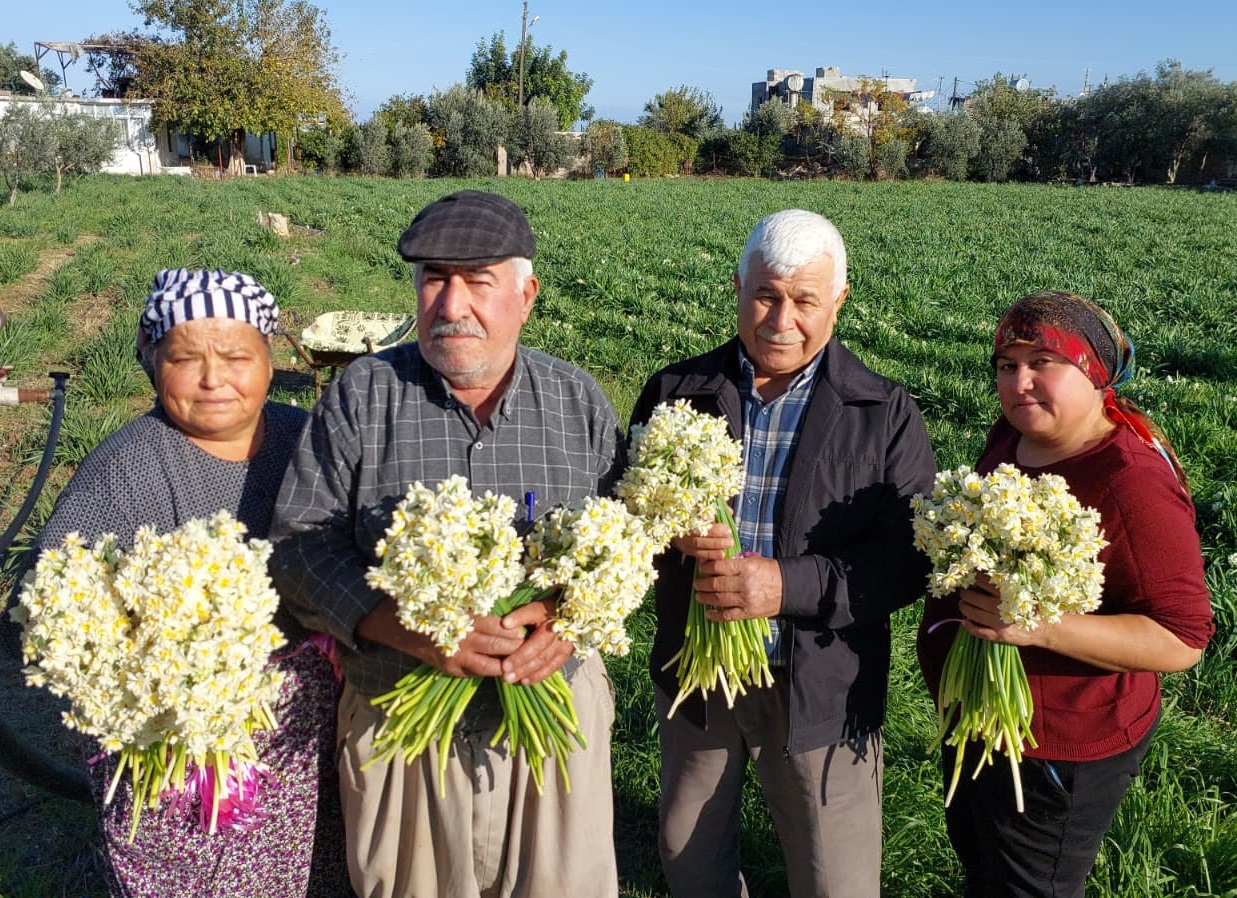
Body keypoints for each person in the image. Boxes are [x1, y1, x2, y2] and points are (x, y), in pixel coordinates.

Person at [268, 190, 624, 898]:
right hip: (402, 718)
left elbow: (619, 551)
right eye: (434, 278)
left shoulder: (577, 402)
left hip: (550, 717)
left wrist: (567, 619)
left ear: (526, 295)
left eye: (477, 282)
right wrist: (399, 627)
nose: (451, 304)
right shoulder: (361, 396)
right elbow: (296, 548)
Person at [628, 209, 936, 898]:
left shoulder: (882, 411)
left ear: (838, 303)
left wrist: (787, 587)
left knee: (833, 877)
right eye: (765, 294)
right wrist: (662, 529)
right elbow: (626, 515)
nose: (780, 319)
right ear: (737, 285)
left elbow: (908, 560)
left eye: (804, 301)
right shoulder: (676, 391)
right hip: (698, 676)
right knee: (686, 851)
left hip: (819, 684)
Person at [30, 269, 350, 898]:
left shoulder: (305, 438)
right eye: (185, 358)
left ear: (269, 360)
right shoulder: (126, 466)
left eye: (236, 357)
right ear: (152, 362)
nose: (213, 380)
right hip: (186, 731)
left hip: (307, 724)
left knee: (325, 858)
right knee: (196, 865)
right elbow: (53, 587)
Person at [917, 291, 1214, 898]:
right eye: (1006, 365)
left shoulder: (1129, 481)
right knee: (984, 865)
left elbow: (1183, 639)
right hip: (980, 716)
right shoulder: (1013, 436)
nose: (1020, 382)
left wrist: (1036, 626)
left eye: (1043, 361)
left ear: (1094, 373)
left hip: (1057, 747)